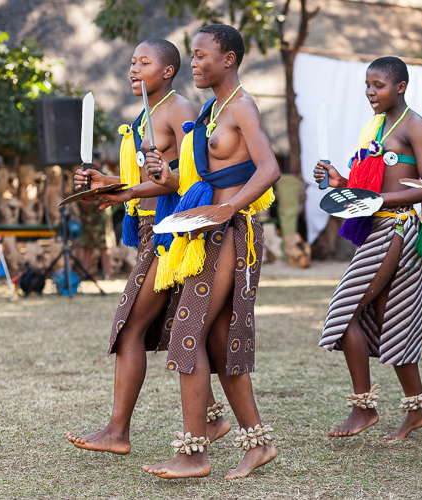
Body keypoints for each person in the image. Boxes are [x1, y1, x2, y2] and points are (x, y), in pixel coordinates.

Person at [66, 39, 229, 455]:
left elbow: (191, 181)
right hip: (146, 227)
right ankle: (213, 421)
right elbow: (149, 176)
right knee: (172, 323)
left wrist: (132, 191)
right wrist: (107, 182)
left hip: (171, 233)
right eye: (132, 61)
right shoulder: (145, 114)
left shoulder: (180, 110)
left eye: (145, 62)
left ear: (168, 70)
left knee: (131, 327)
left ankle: (118, 432)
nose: (134, 68)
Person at [141, 24, 280, 479]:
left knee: (186, 336)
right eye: (193, 56)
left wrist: (229, 211)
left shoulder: (241, 106)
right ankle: (257, 444)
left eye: (202, 56)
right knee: (215, 341)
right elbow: (198, 177)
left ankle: (193, 454)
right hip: (204, 232)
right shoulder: (209, 109)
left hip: (231, 232)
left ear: (229, 59)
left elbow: (269, 168)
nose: (194, 63)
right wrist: (164, 173)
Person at [313, 56, 422, 440]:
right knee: (389, 319)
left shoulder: (415, 126)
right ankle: (418, 408)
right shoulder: (377, 126)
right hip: (376, 228)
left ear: (400, 86)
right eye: (367, 85)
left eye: (378, 85)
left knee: (346, 309)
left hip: (397, 228)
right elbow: (368, 184)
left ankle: (363, 408)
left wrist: (377, 200)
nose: (371, 92)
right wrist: (341, 182)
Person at [78, 152, 115, 279]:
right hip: (88, 218)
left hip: (101, 217)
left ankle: (106, 274)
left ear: (99, 161)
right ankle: (85, 274)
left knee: (105, 246)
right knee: (87, 246)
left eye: (94, 160)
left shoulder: (107, 175)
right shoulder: (84, 175)